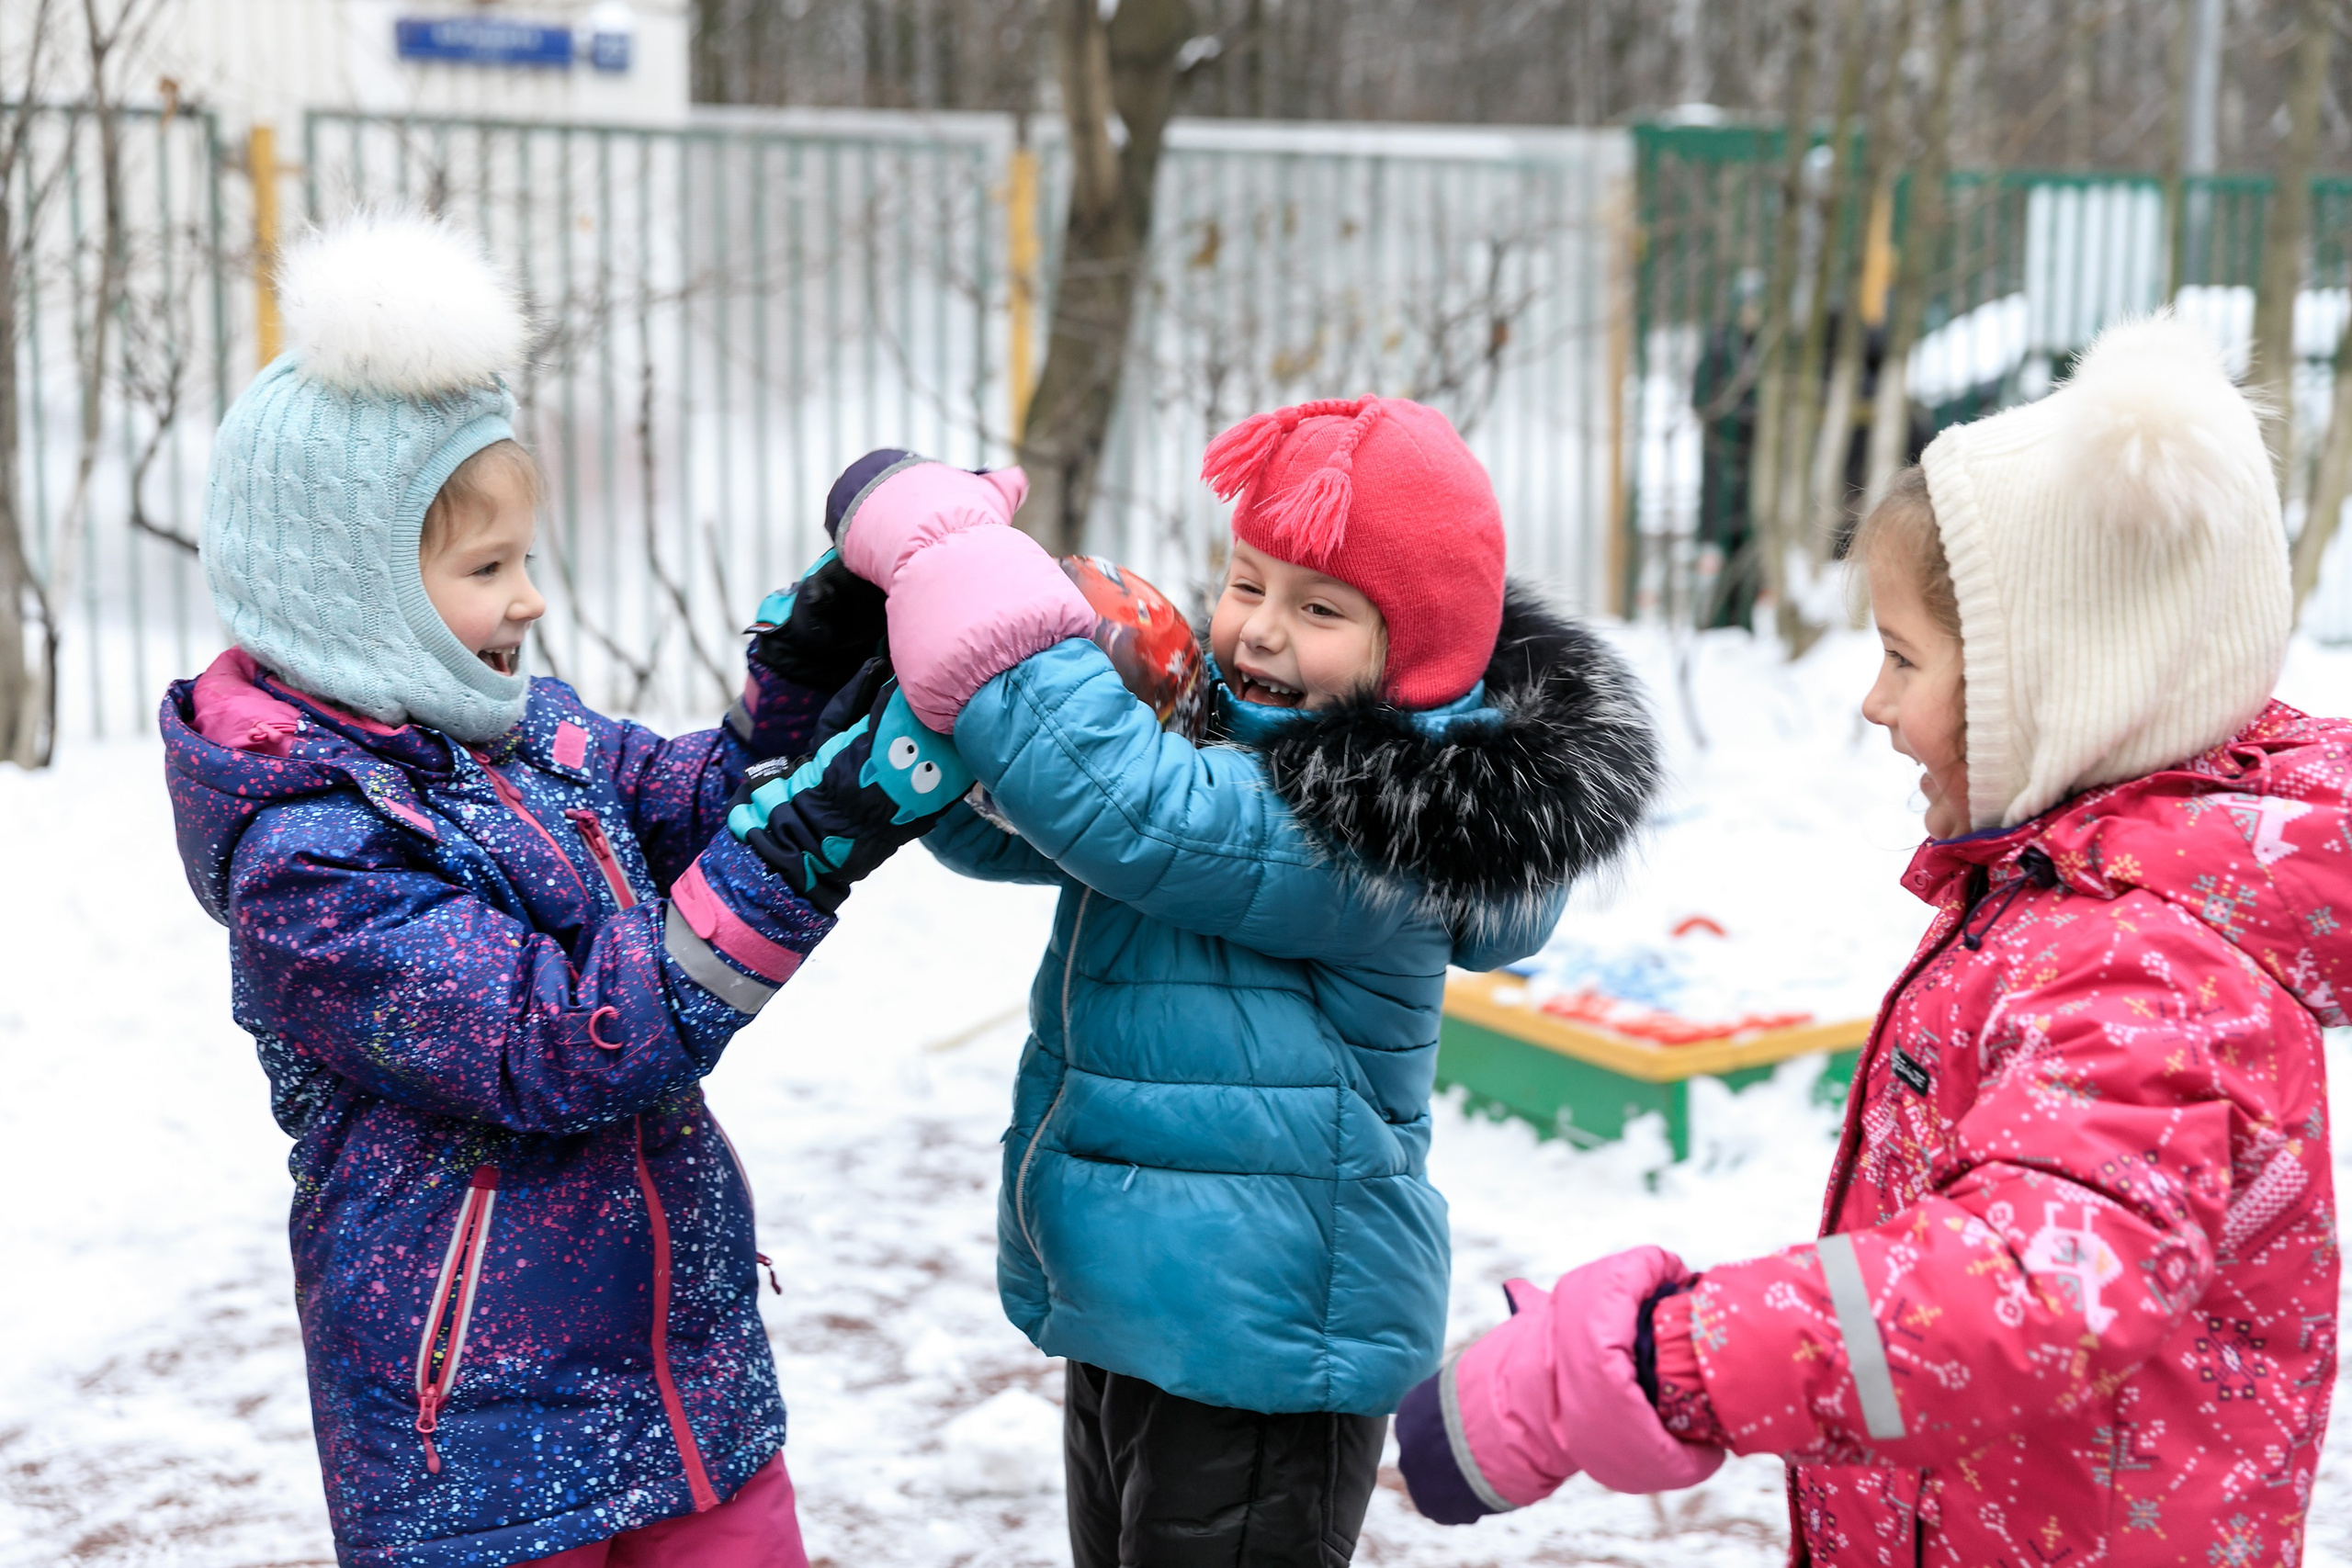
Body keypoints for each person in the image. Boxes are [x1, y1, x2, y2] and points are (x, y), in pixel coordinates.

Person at [1394, 315, 2341, 1567]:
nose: (1872, 701)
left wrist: (1654, 1357)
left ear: (2060, 685)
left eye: (1903, 658)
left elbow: (2023, 1287)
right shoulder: (2083, 899)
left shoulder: (2144, 963)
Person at [162, 214, 956, 1567]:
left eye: (525, 558)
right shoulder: (309, 857)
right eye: (486, 570)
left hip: (676, 1368)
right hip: (477, 1434)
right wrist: (806, 849)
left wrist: (811, 688)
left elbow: (686, 807)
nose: (530, 601)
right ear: (348, 596)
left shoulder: (519, 733)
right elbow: (559, 1040)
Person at [820, 397, 1664, 1565]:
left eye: (1319, 609)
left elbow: (1125, 809)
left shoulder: (1378, 824)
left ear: (1413, 655)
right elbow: (1011, 824)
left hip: (1267, 1347)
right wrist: (900, 666)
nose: (1260, 631)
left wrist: (974, 592)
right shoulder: (1224, 743)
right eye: (1246, 582)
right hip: (1140, 1303)